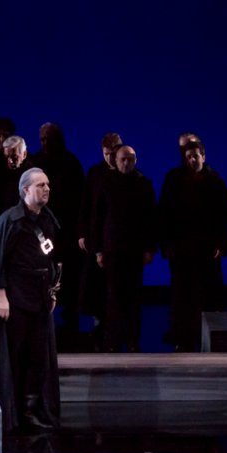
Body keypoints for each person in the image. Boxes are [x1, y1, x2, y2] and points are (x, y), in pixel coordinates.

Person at [0, 167, 62, 432]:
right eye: (40, 185)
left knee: (37, 356)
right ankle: (14, 411)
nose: (46, 188)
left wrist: (52, 291)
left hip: (40, 297)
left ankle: (31, 409)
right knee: (16, 355)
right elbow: (0, 262)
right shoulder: (11, 221)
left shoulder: (48, 219)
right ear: (25, 190)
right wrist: (1, 295)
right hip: (17, 298)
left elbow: (50, 258)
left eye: (47, 184)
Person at [158, 138, 227, 351]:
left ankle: (206, 336)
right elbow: (163, 213)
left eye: (196, 156)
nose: (192, 160)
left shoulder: (215, 181)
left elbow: (226, 215)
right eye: (188, 157)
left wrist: (221, 243)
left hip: (206, 249)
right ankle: (182, 336)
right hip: (181, 249)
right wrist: (166, 244)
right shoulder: (173, 179)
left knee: (207, 294)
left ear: (204, 156)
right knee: (181, 294)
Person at [92, 144, 157, 352]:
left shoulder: (143, 183)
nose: (126, 163)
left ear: (135, 160)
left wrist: (149, 248)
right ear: (116, 160)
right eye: (123, 159)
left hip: (135, 251)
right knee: (113, 297)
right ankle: (113, 341)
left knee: (134, 298)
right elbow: (97, 217)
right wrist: (99, 250)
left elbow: (151, 218)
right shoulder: (105, 183)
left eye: (130, 159)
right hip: (112, 249)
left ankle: (133, 340)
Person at [30, 122, 85, 345]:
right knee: (42, 273)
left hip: (67, 232)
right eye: (42, 139)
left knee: (69, 277)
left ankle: (70, 322)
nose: (45, 143)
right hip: (42, 231)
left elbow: (80, 200)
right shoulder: (35, 164)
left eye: (49, 139)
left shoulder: (71, 163)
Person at [78, 132, 122, 349]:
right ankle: (98, 325)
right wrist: (82, 233)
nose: (110, 159)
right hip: (98, 237)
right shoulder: (95, 173)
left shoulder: (128, 173)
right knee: (97, 284)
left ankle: (116, 330)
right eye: (106, 154)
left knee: (116, 287)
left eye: (113, 154)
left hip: (118, 240)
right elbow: (86, 205)